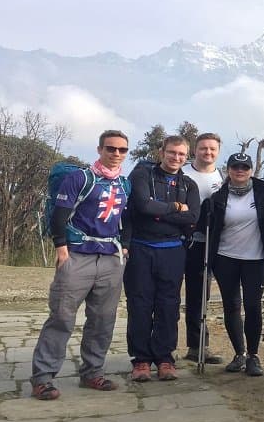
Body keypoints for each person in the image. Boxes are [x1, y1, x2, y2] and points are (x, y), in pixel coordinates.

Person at [30, 130, 132, 400]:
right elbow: (60, 215)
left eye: (122, 150)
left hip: (110, 257)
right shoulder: (80, 178)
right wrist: (61, 247)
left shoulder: (124, 183)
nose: (116, 154)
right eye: (111, 148)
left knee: (103, 319)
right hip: (77, 255)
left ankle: (93, 372)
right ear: (99, 149)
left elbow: (127, 217)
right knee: (62, 317)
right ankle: (43, 378)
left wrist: (125, 246)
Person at [124, 135, 200, 381]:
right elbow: (144, 207)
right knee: (140, 305)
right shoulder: (141, 175)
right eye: (171, 152)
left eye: (181, 154)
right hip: (141, 249)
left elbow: (193, 218)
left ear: (186, 157)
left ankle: (165, 358)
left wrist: (159, 212)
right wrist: (176, 208)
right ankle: (141, 360)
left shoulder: (189, 185)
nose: (176, 158)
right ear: (161, 152)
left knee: (168, 306)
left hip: (173, 251)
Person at [208, 152, 264, 376]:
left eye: (244, 167)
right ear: (228, 170)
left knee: (253, 306)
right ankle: (239, 354)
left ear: (251, 171)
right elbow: (209, 225)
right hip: (226, 257)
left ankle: (253, 356)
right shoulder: (218, 197)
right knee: (232, 306)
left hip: (255, 258)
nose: (240, 171)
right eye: (235, 167)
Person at [181, 132, 225, 364]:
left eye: (212, 149)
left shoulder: (223, 177)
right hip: (179, 241)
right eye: (203, 148)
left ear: (218, 151)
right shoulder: (183, 172)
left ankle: (198, 346)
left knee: (199, 297)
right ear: (194, 150)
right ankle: (162, 347)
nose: (208, 152)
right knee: (168, 295)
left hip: (205, 243)